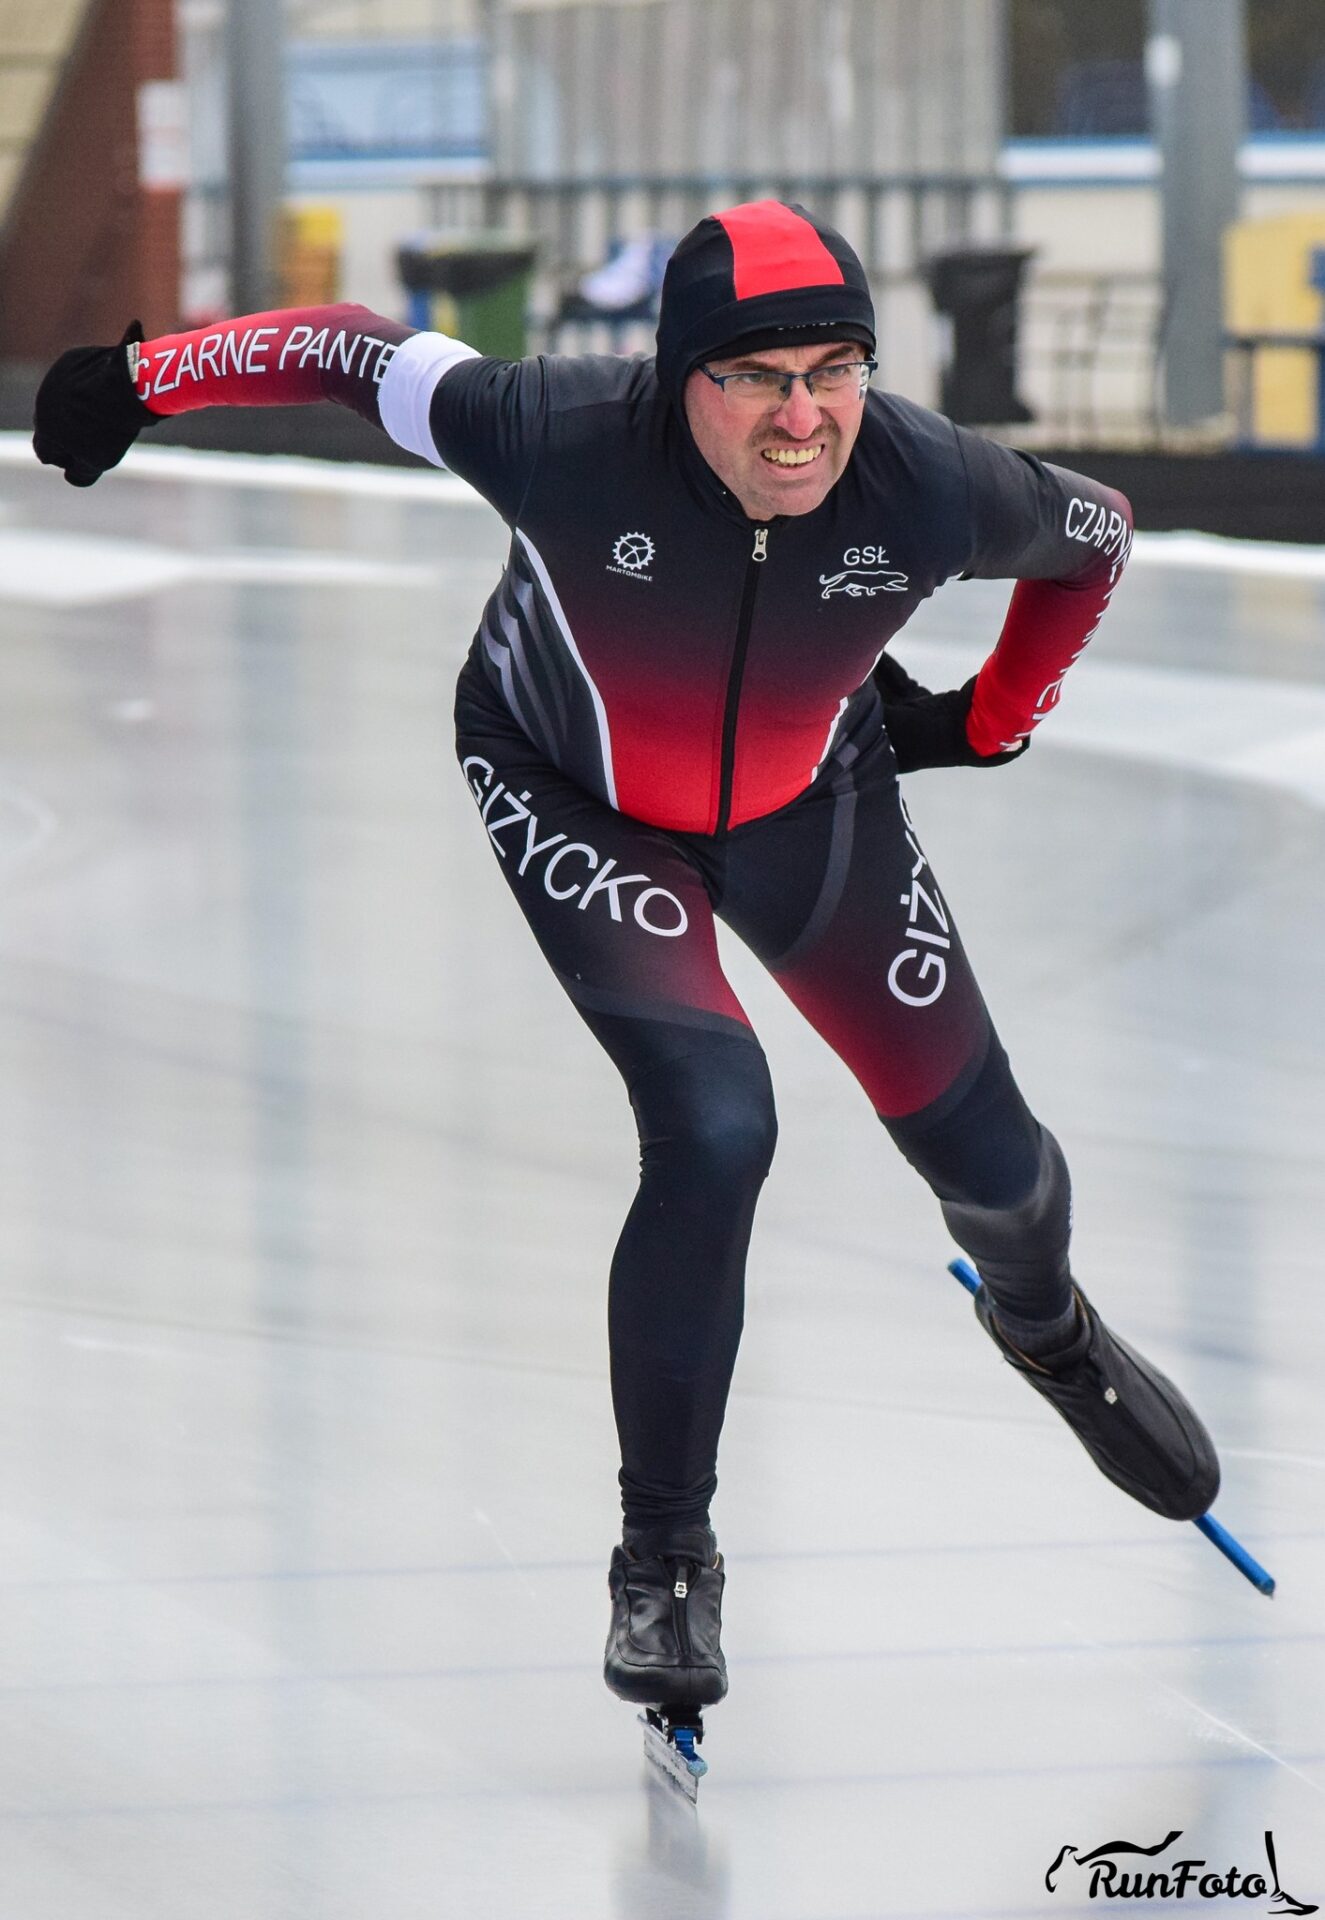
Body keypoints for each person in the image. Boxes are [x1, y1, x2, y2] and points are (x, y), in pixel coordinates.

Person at [33, 199, 1219, 1719]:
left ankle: (1045, 1329)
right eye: (755, 377)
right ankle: (664, 1554)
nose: (802, 418)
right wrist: (138, 382)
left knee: (991, 1160)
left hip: (810, 801)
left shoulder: (927, 480)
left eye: (833, 372)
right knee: (716, 1126)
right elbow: (345, 350)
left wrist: (991, 721)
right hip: (572, 789)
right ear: (678, 378)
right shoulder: (554, 428)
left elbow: (1096, 538)